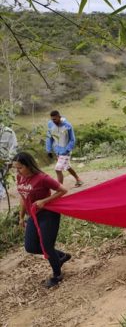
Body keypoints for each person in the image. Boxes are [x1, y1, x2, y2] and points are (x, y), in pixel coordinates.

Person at [14, 152, 70, 288]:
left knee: (46, 245)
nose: (17, 171)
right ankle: (60, 256)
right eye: (16, 168)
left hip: (48, 214)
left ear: (28, 166)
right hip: (33, 215)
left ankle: (57, 275)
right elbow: (23, 197)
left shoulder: (42, 178)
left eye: (20, 167)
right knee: (30, 247)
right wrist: (21, 217)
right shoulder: (20, 178)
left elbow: (63, 190)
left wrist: (44, 201)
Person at [46, 110, 83, 187]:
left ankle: (60, 188)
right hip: (57, 151)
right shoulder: (50, 125)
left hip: (66, 151)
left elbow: (72, 139)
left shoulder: (67, 125)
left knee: (58, 169)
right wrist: (48, 150)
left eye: (55, 119)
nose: (54, 121)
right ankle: (78, 179)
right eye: (52, 119)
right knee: (67, 166)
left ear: (59, 117)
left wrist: (67, 150)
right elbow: (49, 138)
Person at [0, 125, 18, 200]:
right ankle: (2, 194)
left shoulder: (8, 131)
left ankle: (2, 194)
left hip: (4, 160)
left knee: (1, 177)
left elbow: (14, 146)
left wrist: (11, 160)